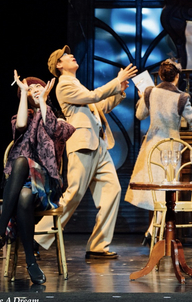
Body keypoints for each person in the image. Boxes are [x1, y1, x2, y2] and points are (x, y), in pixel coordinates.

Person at [34, 45, 137, 260]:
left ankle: (98, 245)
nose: (71, 55)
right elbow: (93, 96)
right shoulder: (64, 85)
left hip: (98, 144)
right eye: (66, 55)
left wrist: (119, 90)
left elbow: (101, 106)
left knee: (112, 191)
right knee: (74, 194)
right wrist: (116, 80)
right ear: (59, 65)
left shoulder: (77, 84)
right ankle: (36, 237)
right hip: (82, 144)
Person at [0, 71, 75, 285]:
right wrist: (22, 91)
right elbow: (20, 126)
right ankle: (31, 262)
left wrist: (43, 102)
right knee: (24, 193)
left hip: (46, 184)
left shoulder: (59, 121)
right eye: (30, 89)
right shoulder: (24, 117)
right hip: (21, 185)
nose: (35, 90)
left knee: (21, 161)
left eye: (38, 87)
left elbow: (51, 128)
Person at [125, 59, 192, 243]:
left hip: (152, 146)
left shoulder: (150, 92)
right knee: (167, 191)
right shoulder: (181, 97)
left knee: (157, 190)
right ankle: (155, 233)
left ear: (160, 75)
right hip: (170, 148)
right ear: (177, 77)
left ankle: (154, 232)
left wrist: (142, 98)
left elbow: (140, 115)